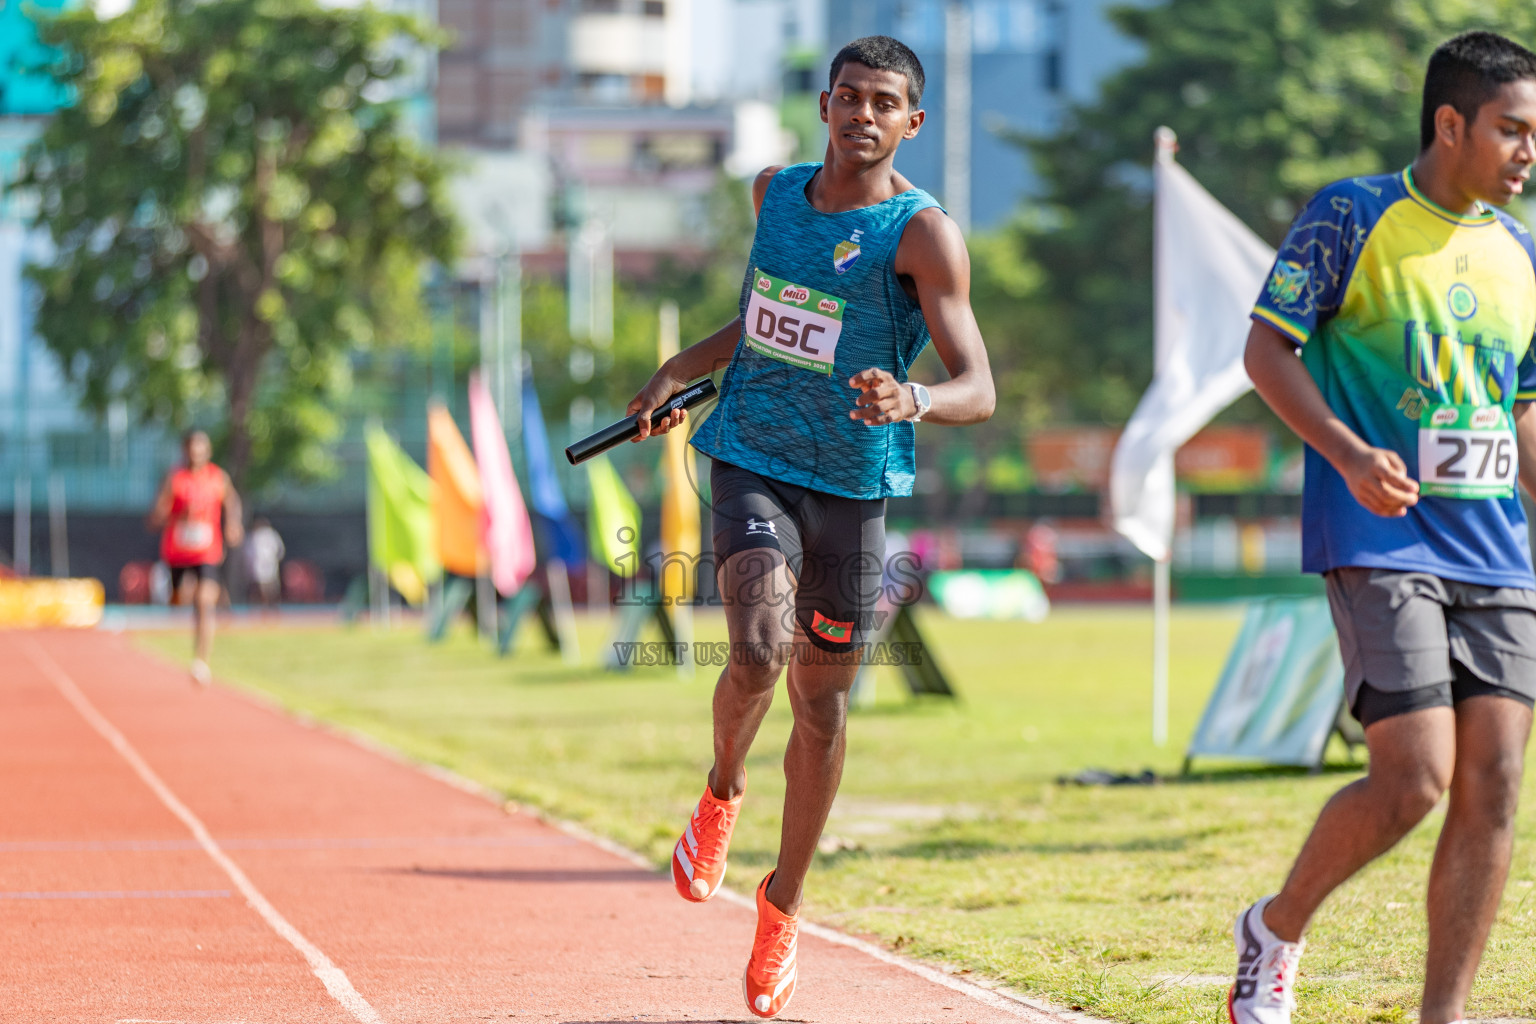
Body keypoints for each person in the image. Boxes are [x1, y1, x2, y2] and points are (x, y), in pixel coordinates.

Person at [627, 35, 994, 1019]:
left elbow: (979, 385)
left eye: (885, 103)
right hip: (749, 450)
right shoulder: (773, 193)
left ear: (912, 120)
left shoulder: (923, 236)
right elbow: (761, 319)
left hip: (853, 485)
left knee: (823, 708)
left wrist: (913, 400)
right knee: (752, 649)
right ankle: (720, 792)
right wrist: (672, 373)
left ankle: (782, 906)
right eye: (849, 97)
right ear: (825, 104)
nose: (862, 115)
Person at [1232, 31, 1536, 1024]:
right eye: (1513, 130)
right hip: (1379, 537)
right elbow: (1267, 352)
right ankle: (1275, 927)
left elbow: (1520, 408)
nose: (1529, 152)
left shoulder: (1522, 253)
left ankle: (1441, 1015)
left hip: (1496, 549)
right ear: (1453, 123)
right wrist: (1351, 455)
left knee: (1492, 784)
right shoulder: (1351, 215)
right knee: (1414, 781)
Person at [148, 429, 243, 686]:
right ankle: (186, 595)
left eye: (201, 447)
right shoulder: (175, 478)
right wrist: (177, 515)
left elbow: (232, 502)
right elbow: (157, 514)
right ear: (185, 450)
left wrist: (233, 524)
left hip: (207, 552)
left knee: (204, 602)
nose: (196, 453)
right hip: (177, 553)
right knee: (180, 600)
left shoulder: (217, 477)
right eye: (192, 447)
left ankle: (201, 662)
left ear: (208, 451)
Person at [245, 516, 286, 607]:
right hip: (259, 569)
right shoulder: (254, 536)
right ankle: (261, 606)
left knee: (270, 590)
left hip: (268, 568)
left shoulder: (270, 535)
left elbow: (279, 551)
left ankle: (271, 606)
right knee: (259, 590)